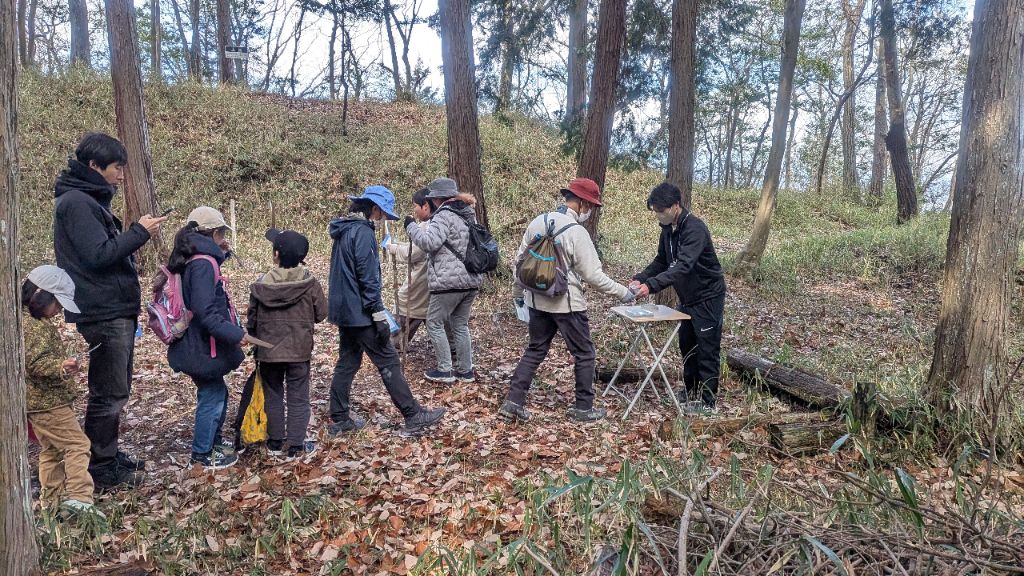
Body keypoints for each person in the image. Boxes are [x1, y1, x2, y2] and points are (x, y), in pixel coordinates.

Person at [53, 132, 165, 490]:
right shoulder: (76, 203)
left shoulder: (87, 200)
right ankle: (100, 466)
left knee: (116, 389)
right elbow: (98, 255)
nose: (121, 175)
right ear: (94, 166)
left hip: (112, 307)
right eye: (116, 167)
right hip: (101, 311)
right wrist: (138, 232)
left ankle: (106, 454)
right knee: (109, 392)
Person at [498, 178, 635, 423]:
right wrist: (623, 293)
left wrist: (518, 294)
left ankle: (513, 402)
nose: (590, 211)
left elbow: (520, 263)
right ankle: (583, 407)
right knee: (584, 353)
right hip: (567, 304)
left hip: (536, 300)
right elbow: (593, 276)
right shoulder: (576, 232)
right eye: (590, 206)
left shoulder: (538, 221)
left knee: (535, 349)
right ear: (583, 203)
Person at [326, 185, 446, 437]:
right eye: (383, 214)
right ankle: (413, 414)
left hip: (345, 310)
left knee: (348, 361)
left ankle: (340, 418)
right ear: (374, 209)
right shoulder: (362, 232)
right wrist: (378, 314)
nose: (383, 220)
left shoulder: (344, 229)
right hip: (360, 312)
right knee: (388, 359)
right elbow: (367, 277)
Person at [629, 182, 726, 414]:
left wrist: (651, 286)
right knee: (687, 345)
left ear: (675, 206)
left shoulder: (695, 229)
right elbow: (662, 260)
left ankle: (708, 402)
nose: (658, 215)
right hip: (687, 298)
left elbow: (682, 266)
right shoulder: (667, 229)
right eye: (655, 211)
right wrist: (641, 278)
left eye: (661, 211)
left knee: (707, 349)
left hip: (707, 296)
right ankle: (691, 390)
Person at [166, 207, 247, 470]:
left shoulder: (193, 256)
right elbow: (205, 310)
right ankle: (202, 454)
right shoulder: (202, 263)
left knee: (217, 391)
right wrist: (235, 335)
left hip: (198, 343)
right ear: (212, 233)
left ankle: (214, 442)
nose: (224, 237)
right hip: (201, 345)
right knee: (211, 395)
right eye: (222, 233)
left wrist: (222, 254)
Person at [22, 265, 106, 518]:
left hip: (42, 401)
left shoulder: (34, 322)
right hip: (48, 403)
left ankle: (52, 501)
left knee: (52, 450)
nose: (59, 311)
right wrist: (60, 366)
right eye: (57, 304)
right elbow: (35, 363)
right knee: (78, 445)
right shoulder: (32, 326)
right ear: (40, 295)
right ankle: (80, 498)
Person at [247, 228, 327, 460]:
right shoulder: (310, 284)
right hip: (299, 350)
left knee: (273, 394)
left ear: (276, 255)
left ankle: (274, 442)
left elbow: (251, 320)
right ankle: (295, 446)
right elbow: (321, 313)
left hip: (268, 350)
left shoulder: (261, 285)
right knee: (298, 396)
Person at [404, 177, 482, 384]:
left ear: (437, 199)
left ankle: (445, 369)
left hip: (449, 281)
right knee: (460, 325)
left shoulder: (443, 215)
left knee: (434, 323)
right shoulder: (468, 213)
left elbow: (429, 243)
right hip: (471, 279)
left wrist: (411, 227)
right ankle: (465, 371)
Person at [386, 188, 432, 350]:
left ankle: (396, 343)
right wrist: (397, 245)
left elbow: (414, 253)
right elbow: (415, 246)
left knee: (405, 304)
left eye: (415, 206)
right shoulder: (430, 224)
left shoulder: (430, 226)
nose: (414, 210)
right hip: (429, 278)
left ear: (425, 206)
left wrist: (394, 249)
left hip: (422, 279)